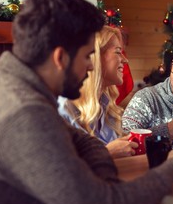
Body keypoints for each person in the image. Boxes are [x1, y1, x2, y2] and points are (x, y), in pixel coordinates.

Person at [0, 0, 173, 204]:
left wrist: (101, 171)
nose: (91, 65)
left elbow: (86, 144)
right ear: (60, 58)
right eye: (87, 56)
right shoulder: (26, 114)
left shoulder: (15, 90)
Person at [58, 25, 137, 159]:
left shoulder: (107, 106)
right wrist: (107, 153)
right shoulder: (64, 107)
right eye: (118, 52)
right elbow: (61, 169)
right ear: (95, 56)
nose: (125, 60)